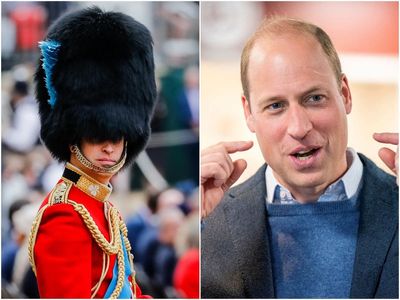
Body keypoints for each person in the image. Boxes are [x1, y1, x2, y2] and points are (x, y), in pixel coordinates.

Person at [201, 17, 398, 298]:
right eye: (276, 105)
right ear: (249, 113)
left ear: (344, 94)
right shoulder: (211, 222)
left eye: (314, 98)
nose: (299, 127)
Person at [28, 7, 157, 298]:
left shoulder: (103, 208)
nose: (109, 145)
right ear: (75, 134)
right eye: (97, 135)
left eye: (117, 135)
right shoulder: (65, 214)